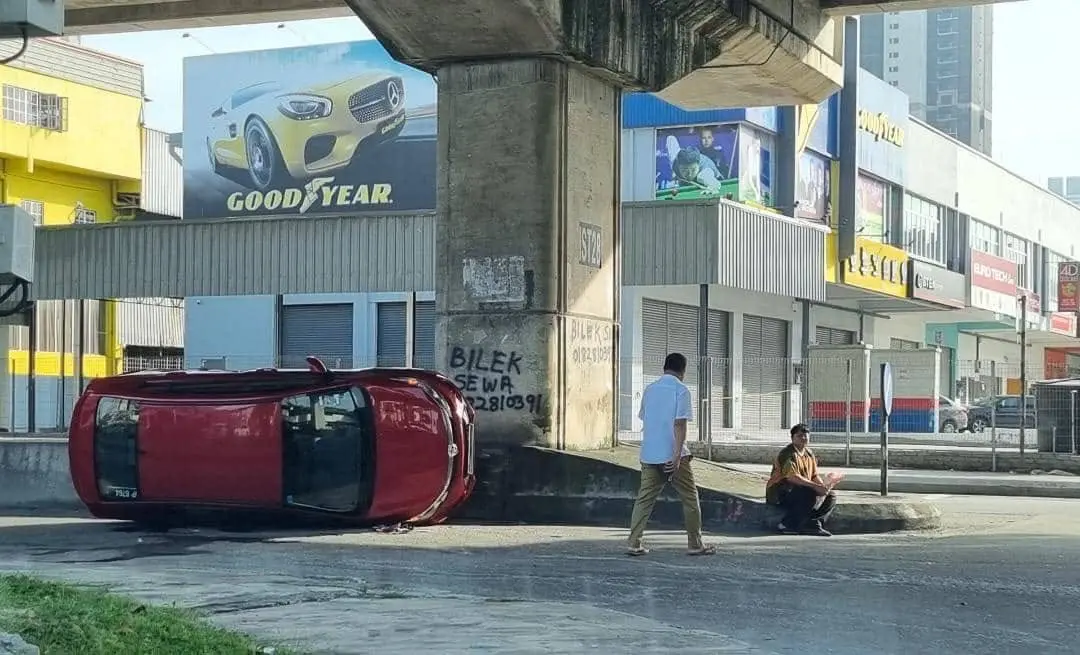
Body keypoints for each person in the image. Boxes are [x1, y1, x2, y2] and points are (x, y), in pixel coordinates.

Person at [626, 353, 717, 557]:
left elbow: (645, 418)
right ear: (683, 371)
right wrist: (676, 457)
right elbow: (679, 425)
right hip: (673, 455)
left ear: (664, 367)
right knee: (690, 498)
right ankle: (695, 544)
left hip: (649, 454)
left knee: (644, 499)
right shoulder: (681, 390)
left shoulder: (650, 389)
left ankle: (634, 543)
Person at [765, 423, 837, 537]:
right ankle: (787, 524)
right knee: (808, 492)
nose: (803, 438)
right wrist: (814, 486)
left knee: (830, 496)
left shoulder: (809, 454)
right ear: (792, 438)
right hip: (780, 492)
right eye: (799, 436)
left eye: (805, 435)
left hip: (800, 489)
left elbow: (814, 475)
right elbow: (792, 477)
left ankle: (812, 524)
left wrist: (822, 487)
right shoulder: (788, 454)